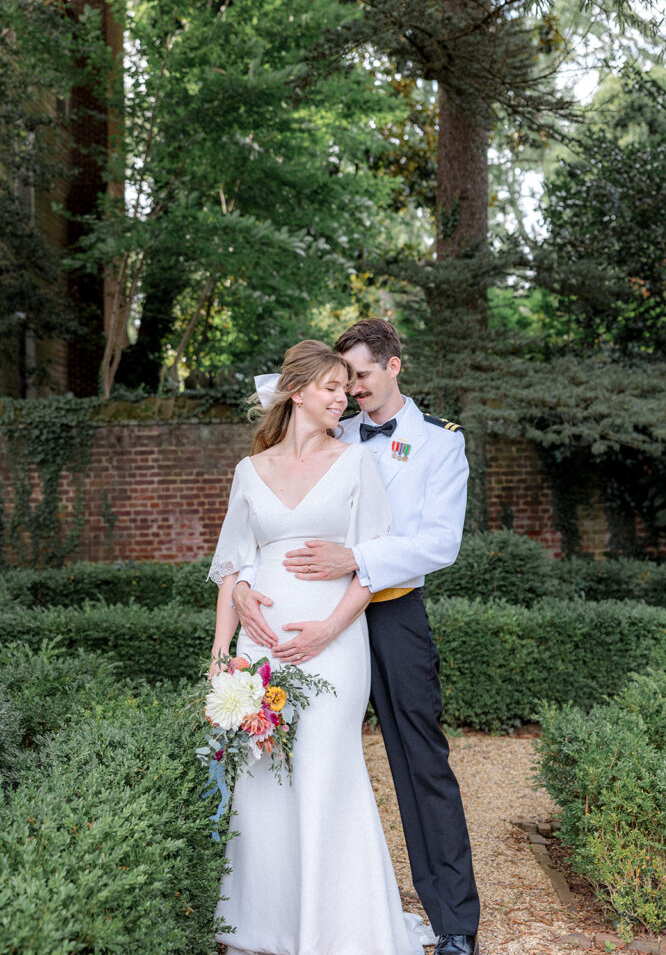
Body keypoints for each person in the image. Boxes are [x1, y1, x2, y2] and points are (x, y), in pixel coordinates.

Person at [234, 321, 480, 955]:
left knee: (420, 765)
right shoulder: (329, 424)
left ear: (395, 367)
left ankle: (454, 922)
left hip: (390, 614)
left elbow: (438, 542)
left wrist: (358, 561)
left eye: (363, 377)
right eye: (343, 380)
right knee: (300, 763)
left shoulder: (438, 445)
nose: (352, 391)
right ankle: (303, 908)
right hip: (306, 618)